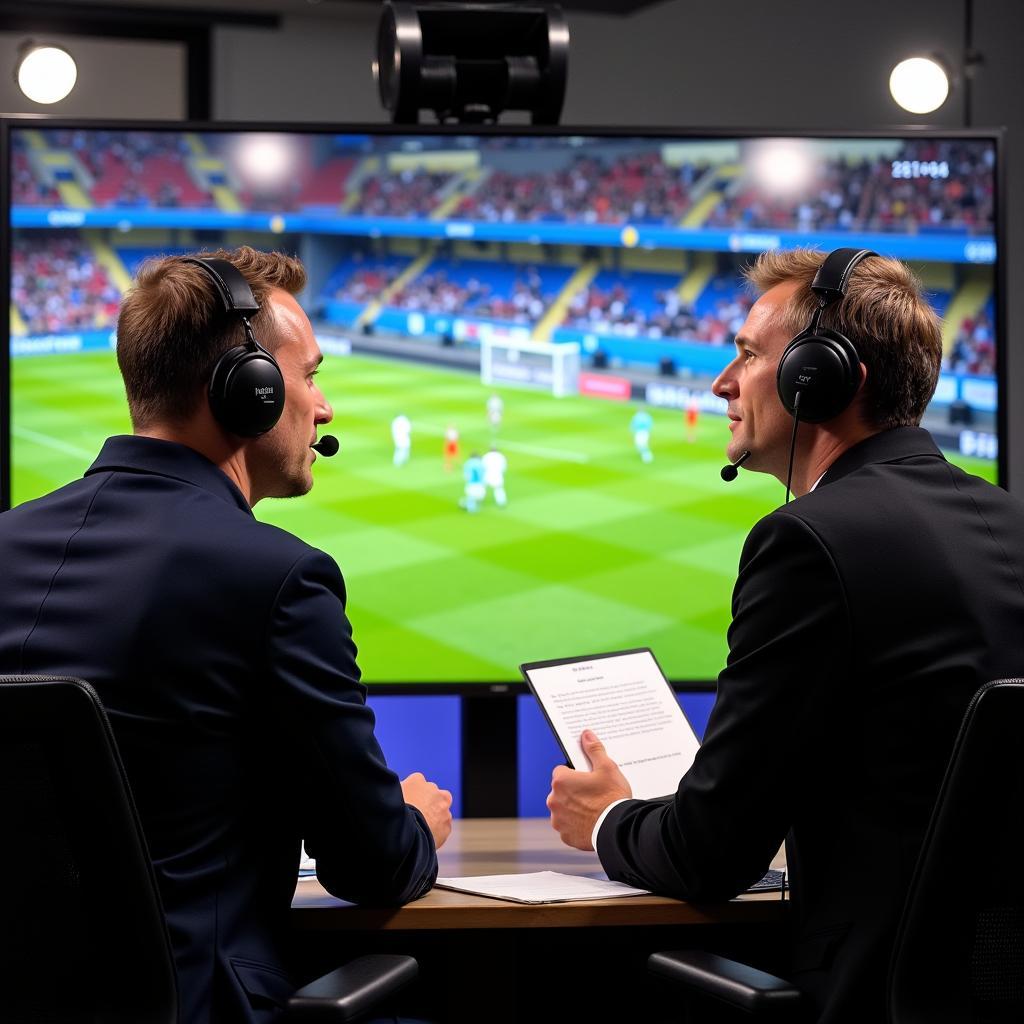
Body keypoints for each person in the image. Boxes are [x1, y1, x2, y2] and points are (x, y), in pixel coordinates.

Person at [546, 247, 1024, 1024]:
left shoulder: (807, 541)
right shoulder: (1010, 519)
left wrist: (606, 818)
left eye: (747, 354)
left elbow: (712, 853)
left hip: (875, 996)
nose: (720, 382)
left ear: (822, 376)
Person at [0, 247, 453, 1024]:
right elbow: (373, 864)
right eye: (309, 376)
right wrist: (415, 820)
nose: (325, 407)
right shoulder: (278, 578)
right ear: (249, 391)